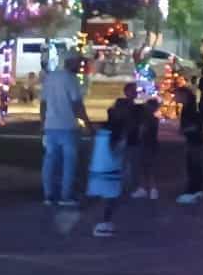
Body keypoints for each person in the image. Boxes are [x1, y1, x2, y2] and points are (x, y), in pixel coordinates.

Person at [40, 56, 91, 207]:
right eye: (79, 63)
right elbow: (77, 105)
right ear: (72, 63)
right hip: (67, 125)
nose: (81, 67)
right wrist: (88, 124)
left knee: (50, 161)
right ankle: (65, 196)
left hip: (51, 126)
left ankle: (48, 195)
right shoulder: (71, 79)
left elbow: (43, 103)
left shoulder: (51, 77)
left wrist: (42, 122)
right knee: (69, 162)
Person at [87, 83, 136, 237]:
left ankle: (103, 222)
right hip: (110, 169)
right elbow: (116, 149)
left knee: (107, 197)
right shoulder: (118, 130)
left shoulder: (105, 128)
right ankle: (103, 223)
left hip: (99, 168)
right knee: (111, 197)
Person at [177, 85, 203, 204]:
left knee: (193, 166)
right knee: (195, 166)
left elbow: (195, 125)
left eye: (178, 95)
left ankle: (192, 191)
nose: (175, 97)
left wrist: (184, 130)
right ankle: (198, 189)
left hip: (194, 140)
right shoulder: (189, 106)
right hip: (195, 140)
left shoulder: (190, 108)